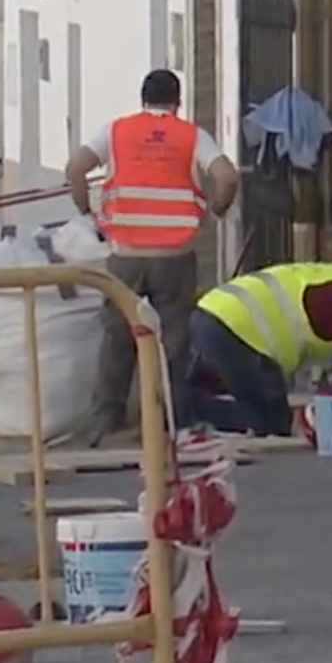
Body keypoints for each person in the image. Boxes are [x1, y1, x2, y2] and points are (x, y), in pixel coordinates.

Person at [66, 69, 238, 441]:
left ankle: (106, 422)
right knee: (172, 343)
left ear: (142, 98)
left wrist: (87, 210)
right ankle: (162, 424)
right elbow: (228, 177)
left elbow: (75, 168)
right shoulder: (192, 136)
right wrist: (215, 212)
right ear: (177, 101)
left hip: (125, 254)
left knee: (118, 337)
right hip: (174, 256)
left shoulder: (115, 131)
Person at [187, 253, 332, 438]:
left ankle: (182, 407)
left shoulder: (329, 279)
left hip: (209, 313)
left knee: (207, 388)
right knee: (270, 421)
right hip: (238, 333)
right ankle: (190, 411)